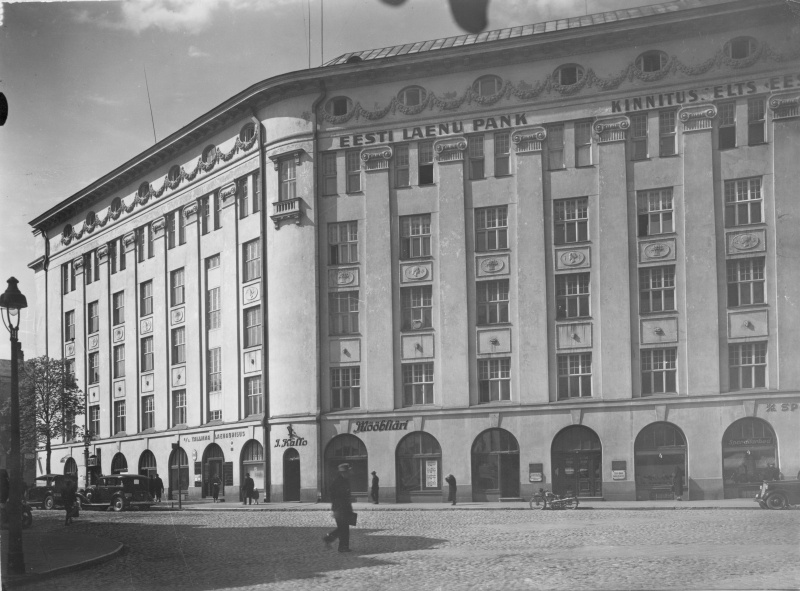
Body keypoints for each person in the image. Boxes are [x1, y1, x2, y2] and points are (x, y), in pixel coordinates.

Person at [323, 463, 355, 553]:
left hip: (344, 508)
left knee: (344, 528)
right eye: (348, 471)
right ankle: (331, 540)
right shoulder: (338, 482)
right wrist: (337, 507)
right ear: (343, 472)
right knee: (343, 528)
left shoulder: (345, 480)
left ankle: (342, 547)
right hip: (339, 508)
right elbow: (334, 496)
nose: (350, 473)